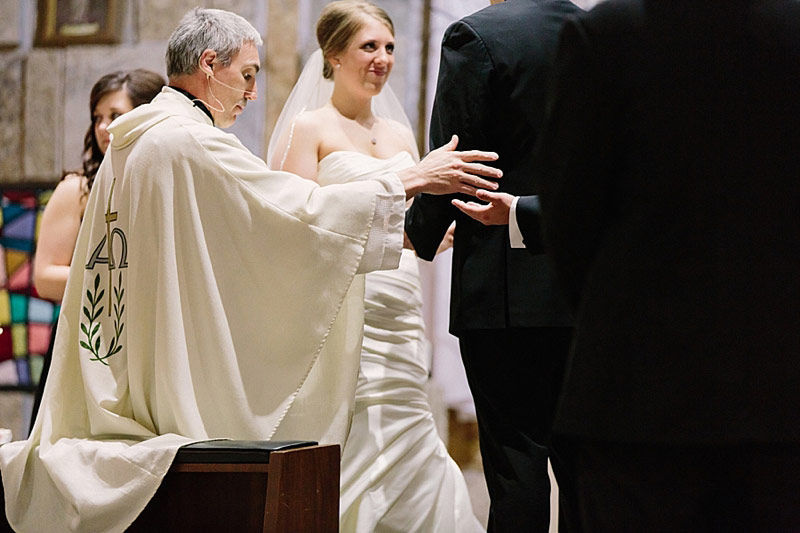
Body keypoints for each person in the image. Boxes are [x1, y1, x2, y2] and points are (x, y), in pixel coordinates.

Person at [0, 8, 501, 533]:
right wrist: (410, 180)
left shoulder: (138, 140)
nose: (252, 93)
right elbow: (291, 212)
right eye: (247, 75)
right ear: (210, 64)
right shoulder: (190, 141)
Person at [463, 1, 800, 530]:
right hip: (778, 388)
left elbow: (573, 215)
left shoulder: (606, 33)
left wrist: (614, 322)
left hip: (636, 388)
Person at [269, 2, 483, 531]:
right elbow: (294, 226)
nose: (382, 58)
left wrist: (435, 235)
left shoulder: (398, 135)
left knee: (409, 423)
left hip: (400, 307)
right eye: (369, 47)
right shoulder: (310, 128)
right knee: (352, 431)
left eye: (389, 47)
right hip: (345, 304)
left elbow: (403, 226)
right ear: (333, 55)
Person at [403, 1, 580, 530]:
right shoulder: (596, 32)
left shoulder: (475, 37)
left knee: (515, 467)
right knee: (583, 468)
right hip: (583, 284)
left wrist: (417, 234)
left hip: (503, 291)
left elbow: (458, 158)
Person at [31, 69, 165, 430]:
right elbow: (44, 278)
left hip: (145, 346)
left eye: (116, 117)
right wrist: (123, 276)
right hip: (85, 340)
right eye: (97, 118)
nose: (103, 128)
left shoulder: (162, 185)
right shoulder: (77, 189)